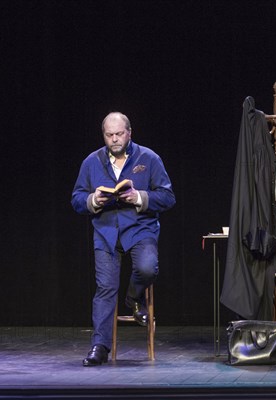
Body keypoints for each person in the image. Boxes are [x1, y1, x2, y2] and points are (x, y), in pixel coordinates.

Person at [71, 112, 175, 366]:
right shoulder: (92, 162)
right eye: (109, 135)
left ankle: (133, 297)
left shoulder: (148, 158)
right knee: (106, 288)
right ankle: (100, 346)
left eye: (119, 134)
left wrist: (139, 197)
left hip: (141, 228)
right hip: (106, 231)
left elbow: (168, 197)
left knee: (147, 268)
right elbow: (76, 199)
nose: (114, 140)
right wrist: (94, 200)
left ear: (129, 132)